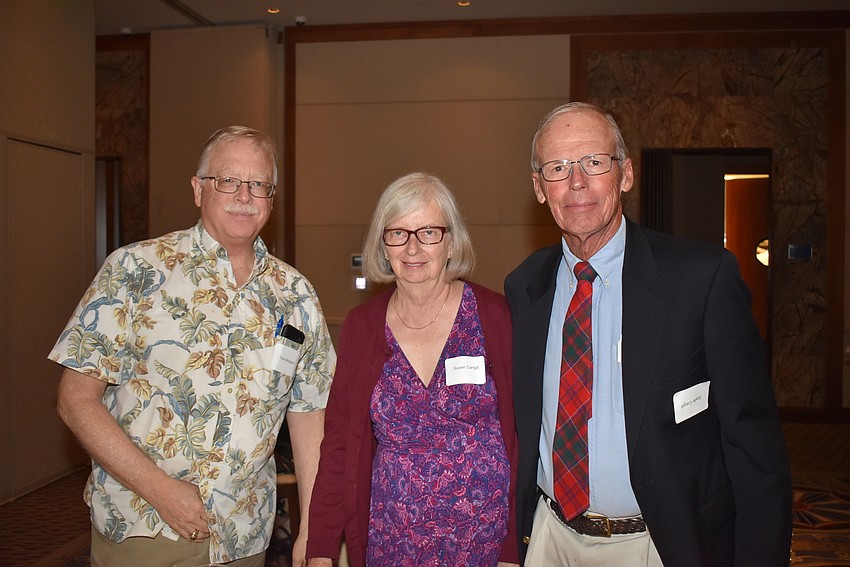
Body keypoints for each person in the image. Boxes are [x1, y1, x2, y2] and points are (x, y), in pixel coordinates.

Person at [505, 102, 792, 566]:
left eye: (594, 162)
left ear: (626, 175)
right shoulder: (525, 287)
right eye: (557, 168)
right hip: (549, 538)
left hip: (658, 545)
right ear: (539, 188)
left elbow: (753, 445)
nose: (576, 182)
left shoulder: (700, 280)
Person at [50, 126, 335, 567]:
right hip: (145, 530)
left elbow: (309, 415)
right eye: (228, 180)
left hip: (244, 539)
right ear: (198, 189)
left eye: (258, 184)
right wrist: (161, 491)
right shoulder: (134, 270)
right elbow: (75, 400)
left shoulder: (295, 294)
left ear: (271, 198)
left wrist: (314, 530)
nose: (244, 196)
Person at [306, 172, 519, 567]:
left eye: (429, 233)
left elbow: (521, 436)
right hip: (392, 543)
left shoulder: (494, 316)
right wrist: (321, 546)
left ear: (451, 241)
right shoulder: (362, 327)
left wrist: (513, 551)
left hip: (485, 545)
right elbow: (339, 445)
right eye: (398, 233)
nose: (412, 247)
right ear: (382, 244)